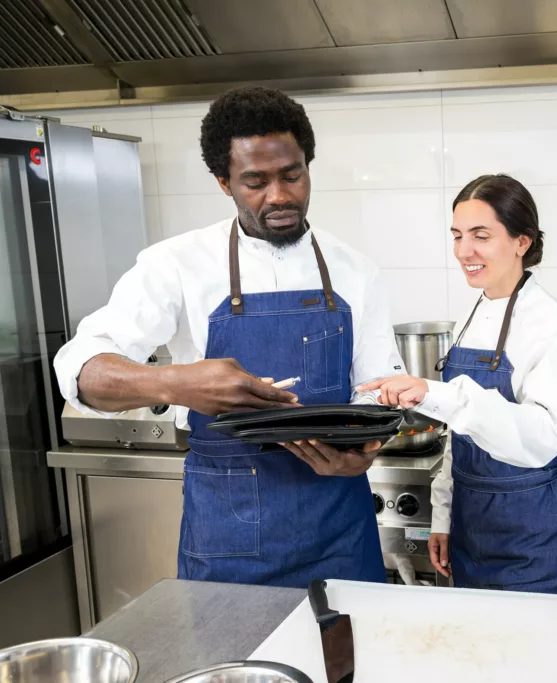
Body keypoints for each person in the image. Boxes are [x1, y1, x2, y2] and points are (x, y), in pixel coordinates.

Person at [53, 86, 405, 587]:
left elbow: (378, 386)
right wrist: (174, 383)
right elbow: (80, 368)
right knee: (232, 662)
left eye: (292, 175)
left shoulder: (356, 270)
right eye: (255, 181)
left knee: (346, 661)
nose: (280, 196)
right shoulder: (175, 264)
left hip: (338, 524)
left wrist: (366, 448)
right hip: (229, 530)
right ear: (224, 183)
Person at [359, 174, 557, 594]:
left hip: (531, 530)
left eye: (481, 236)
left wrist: (434, 392)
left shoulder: (552, 326)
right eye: (458, 236)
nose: (465, 251)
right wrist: (444, 516)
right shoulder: (473, 315)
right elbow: (458, 434)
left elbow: (545, 439)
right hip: (470, 523)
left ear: (522, 241)